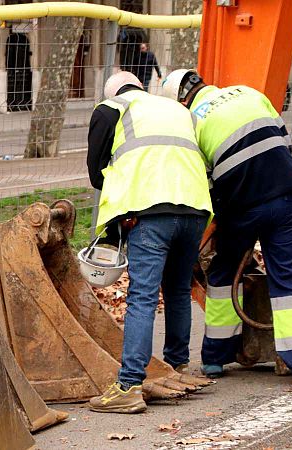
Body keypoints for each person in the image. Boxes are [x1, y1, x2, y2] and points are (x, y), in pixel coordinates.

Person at [161, 69, 292, 387]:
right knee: (290, 277)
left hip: (240, 207)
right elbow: (283, 142)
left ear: (181, 101)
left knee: (224, 275)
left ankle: (214, 358)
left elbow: (203, 181)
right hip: (284, 194)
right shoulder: (248, 92)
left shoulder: (191, 122)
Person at [85, 71, 212, 414]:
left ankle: (128, 385)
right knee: (177, 290)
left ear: (112, 91)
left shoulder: (111, 108)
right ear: (142, 88)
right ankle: (178, 366)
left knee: (142, 296)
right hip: (195, 208)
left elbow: (96, 172)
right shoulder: (176, 109)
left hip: (150, 213)